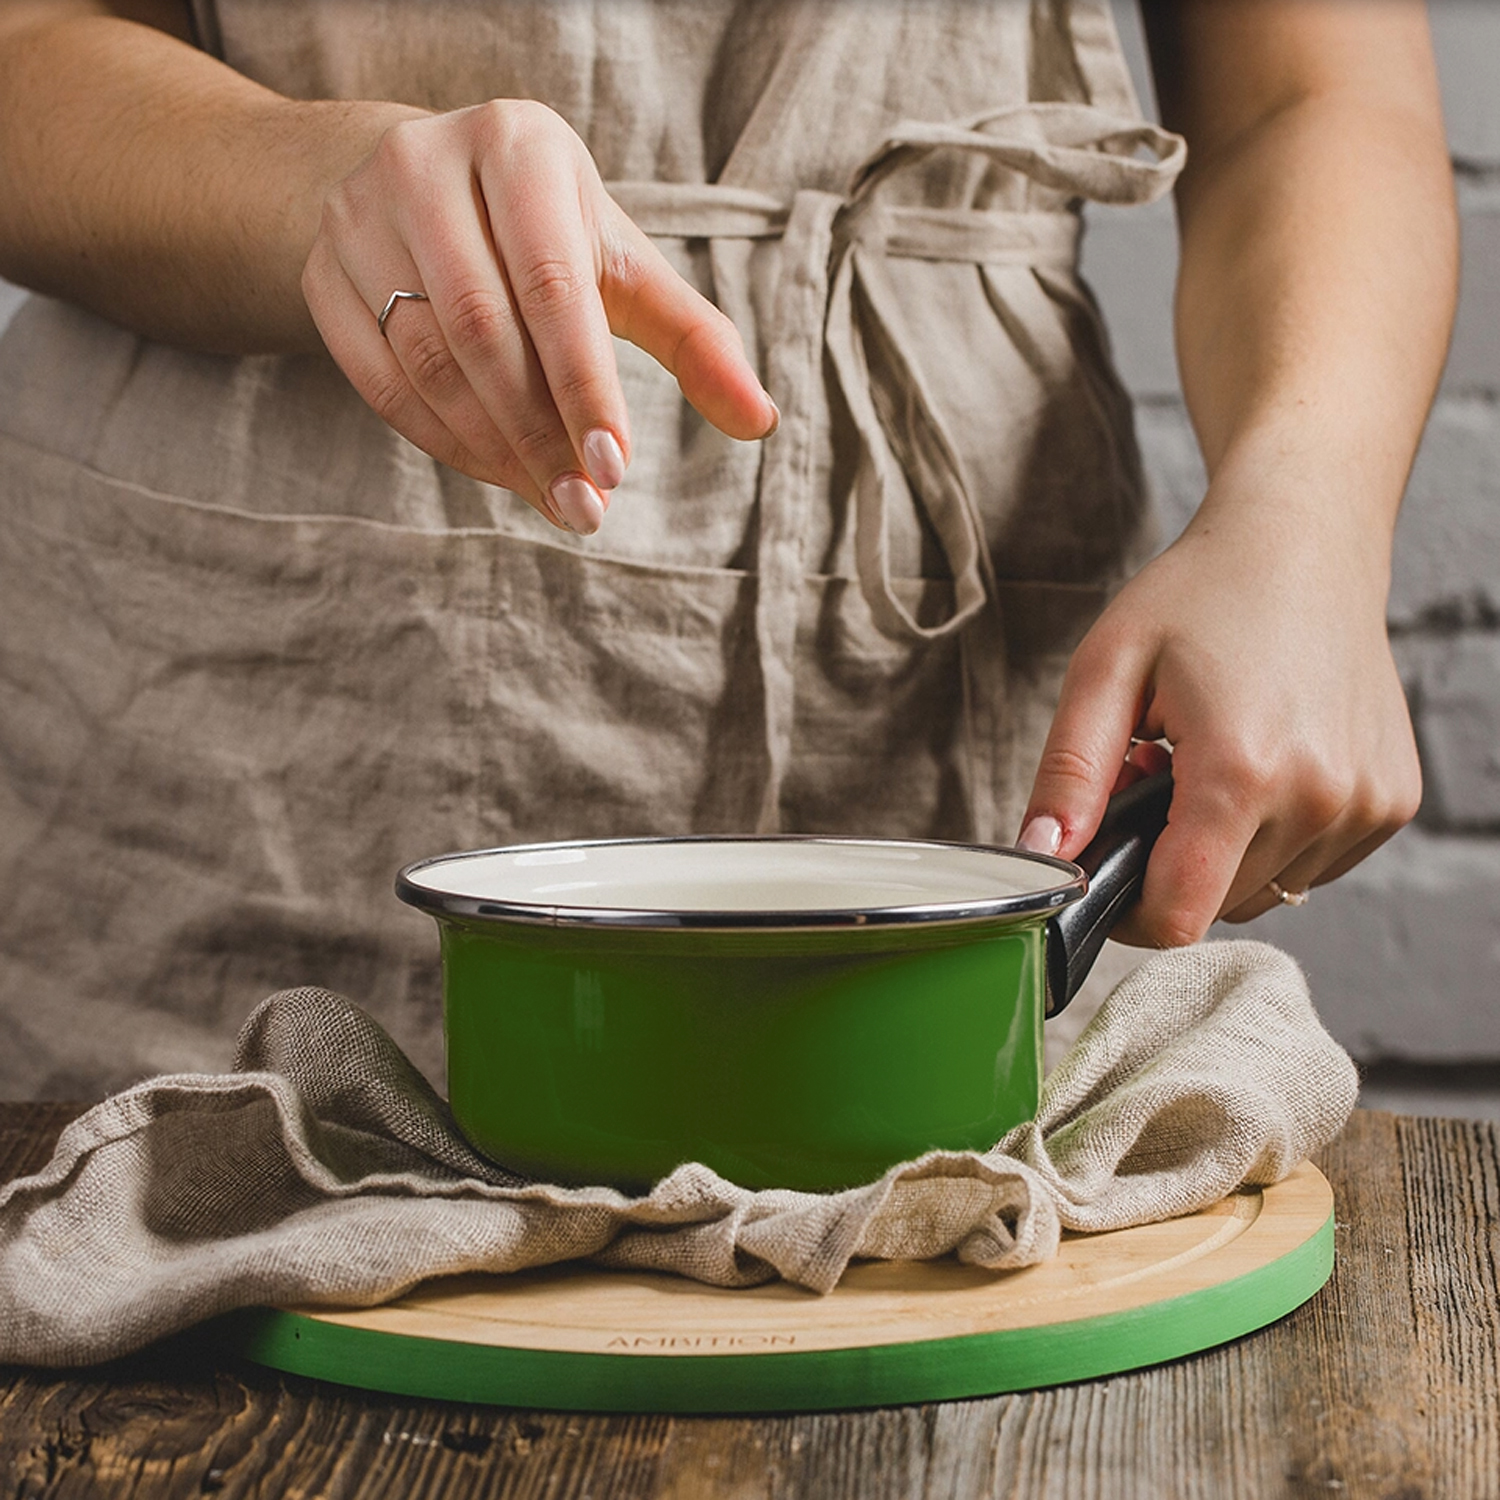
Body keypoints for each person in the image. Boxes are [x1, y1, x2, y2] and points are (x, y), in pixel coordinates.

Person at [0, 0, 1457, 1098]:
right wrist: (314, 179)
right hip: (229, 750)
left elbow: (1310, 93)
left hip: (961, 696)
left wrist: (1309, 514)